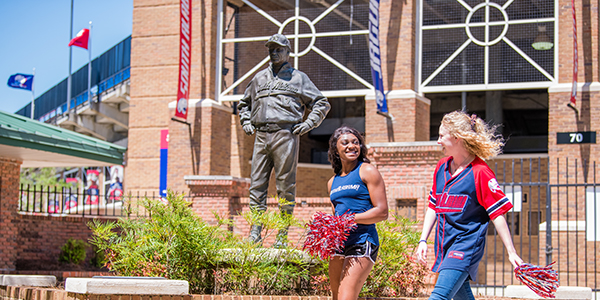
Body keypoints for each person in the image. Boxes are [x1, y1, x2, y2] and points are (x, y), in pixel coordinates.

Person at [416, 111, 523, 300]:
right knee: (460, 294)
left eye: (441, 136)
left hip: (465, 245)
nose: (438, 141)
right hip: (444, 245)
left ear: (457, 137)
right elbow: (433, 206)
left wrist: (511, 252)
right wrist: (423, 240)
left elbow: (497, 214)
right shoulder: (442, 166)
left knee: (438, 296)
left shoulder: (480, 172)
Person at [237, 33, 331, 245]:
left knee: (285, 186)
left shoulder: (298, 78)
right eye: (271, 49)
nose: (274, 52)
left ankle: (281, 234)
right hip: (261, 135)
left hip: (285, 135)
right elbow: (244, 104)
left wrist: (308, 124)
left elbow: (321, 103)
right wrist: (246, 122)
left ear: (288, 52)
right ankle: (255, 232)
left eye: (279, 49)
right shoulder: (259, 78)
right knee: (256, 186)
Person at [327, 126, 388, 300]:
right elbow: (336, 216)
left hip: (363, 240)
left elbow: (382, 212)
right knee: (336, 296)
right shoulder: (333, 182)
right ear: (336, 150)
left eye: (355, 142)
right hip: (339, 244)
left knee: (346, 297)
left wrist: (350, 219)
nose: (351, 146)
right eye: (345, 143)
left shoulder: (367, 171)